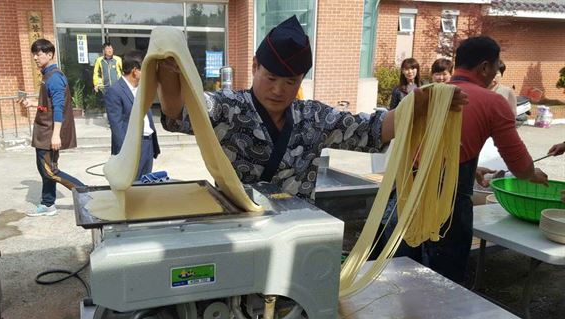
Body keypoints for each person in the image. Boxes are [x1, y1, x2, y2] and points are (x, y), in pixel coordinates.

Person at [155, 16, 466, 202]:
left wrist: (426, 102)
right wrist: (169, 70)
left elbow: (377, 128)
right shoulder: (227, 108)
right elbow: (179, 111)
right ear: (254, 67)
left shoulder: (315, 117)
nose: (278, 90)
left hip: (298, 234)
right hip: (237, 232)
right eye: (270, 77)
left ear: (301, 79)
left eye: (289, 81)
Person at [394, 36, 548, 284]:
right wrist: (533, 174)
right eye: (497, 67)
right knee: (443, 281)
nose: (496, 74)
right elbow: (520, 166)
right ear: (485, 67)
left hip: (406, 197)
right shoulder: (492, 102)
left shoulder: (426, 95)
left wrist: (472, 168)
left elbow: (437, 148)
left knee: (404, 271)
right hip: (449, 206)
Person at [19, 39, 85, 217]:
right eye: (34, 53)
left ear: (49, 55)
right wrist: (33, 103)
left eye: (39, 53)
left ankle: (86, 193)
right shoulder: (47, 75)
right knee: (46, 170)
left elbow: (58, 109)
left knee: (50, 170)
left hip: (48, 133)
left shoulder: (54, 77)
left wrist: (56, 135)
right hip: (44, 131)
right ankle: (48, 204)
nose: (35, 57)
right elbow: (47, 105)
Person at [104, 50, 160, 178]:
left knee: (145, 183)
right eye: (145, 70)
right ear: (135, 71)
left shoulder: (142, 89)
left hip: (148, 143)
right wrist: (126, 154)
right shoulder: (115, 91)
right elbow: (117, 126)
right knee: (132, 186)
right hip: (132, 147)